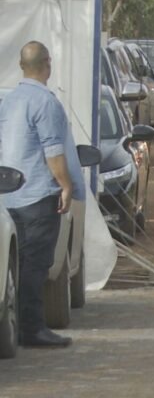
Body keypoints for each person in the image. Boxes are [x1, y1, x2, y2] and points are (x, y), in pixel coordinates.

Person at [0, 41, 84, 348]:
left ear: (22, 66)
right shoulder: (46, 103)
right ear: (47, 64)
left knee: (15, 267)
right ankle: (32, 329)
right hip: (37, 196)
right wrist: (66, 185)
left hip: (9, 197)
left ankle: (17, 326)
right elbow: (53, 151)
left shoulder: (8, 102)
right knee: (36, 266)